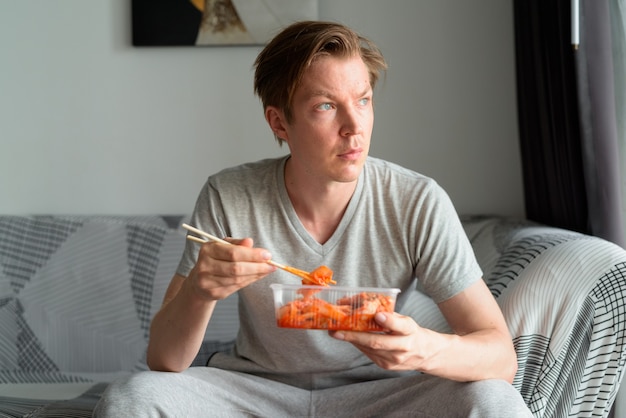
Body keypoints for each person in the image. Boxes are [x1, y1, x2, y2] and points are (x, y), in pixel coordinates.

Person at [95, 21, 532, 417]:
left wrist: (421, 350)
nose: (354, 126)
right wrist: (198, 291)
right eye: (326, 106)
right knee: (132, 398)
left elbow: (499, 357)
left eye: (363, 100)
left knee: (495, 401)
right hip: (255, 394)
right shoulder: (229, 195)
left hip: (381, 397)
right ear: (279, 122)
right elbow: (165, 362)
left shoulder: (416, 200)